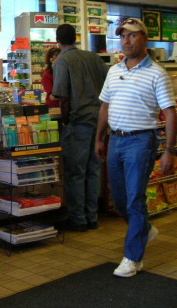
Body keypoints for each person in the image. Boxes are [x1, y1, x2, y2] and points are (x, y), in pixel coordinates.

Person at [95, 18, 177, 278]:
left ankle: (133, 259)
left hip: (141, 142)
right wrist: (99, 137)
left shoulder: (157, 73)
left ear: (144, 38)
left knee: (134, 200)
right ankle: (145, 229)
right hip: (116, 140)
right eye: (122, 36)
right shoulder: (113, 71)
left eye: (131, 35)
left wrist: (169, 150)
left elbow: (170, 113)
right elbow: (105, 106)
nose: (126, 41)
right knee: (119, 199)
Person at [52, 24, 109, 232]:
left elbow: (63, 98)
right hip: (100, 122)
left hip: (79, 123)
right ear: (75, 38)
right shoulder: (94, 58)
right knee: (93, 170)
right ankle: (92, 217)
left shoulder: (62, 61)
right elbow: (108, 88)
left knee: (76, 173)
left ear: (57, 39)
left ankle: (78, 219)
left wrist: (66, 122)